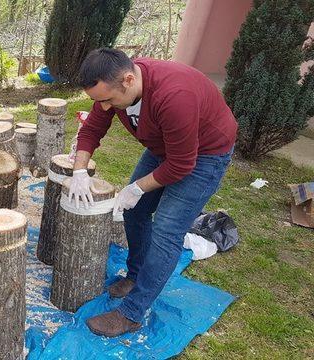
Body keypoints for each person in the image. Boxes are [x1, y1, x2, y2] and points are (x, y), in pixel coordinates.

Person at [68, 48, 237, 337]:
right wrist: (80, 170)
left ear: (128, 80)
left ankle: (132, 313)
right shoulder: (112, 86)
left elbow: (183, 164)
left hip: (206, 154)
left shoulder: (174, 97)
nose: (104, 107)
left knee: (166, 232)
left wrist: (136, 187)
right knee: (135, 214)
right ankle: (136, 276)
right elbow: (92, 129)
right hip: (167, 146)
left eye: (107, 100)